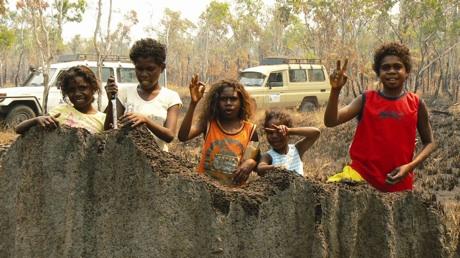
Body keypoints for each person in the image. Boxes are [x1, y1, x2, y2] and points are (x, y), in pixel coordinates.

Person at [324, 42, 436, 192]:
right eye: (385, 67)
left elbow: (430, 143)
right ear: (378, 72)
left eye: (397, 67)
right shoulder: (366, 99)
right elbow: (331, 121)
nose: (391, 71)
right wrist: (335, 90)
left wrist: (409, 167)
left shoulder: (416, 103)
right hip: (360, 179)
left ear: (407, 72)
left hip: (398, 183)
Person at [178, 75, 259, 186]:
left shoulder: (250, 130)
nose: (228, 103)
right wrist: (193, 103)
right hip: (204, 190)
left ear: (241, 102)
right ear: (216, 101)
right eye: (223, 99)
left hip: (234, 194)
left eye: (233, 99)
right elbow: (183, 136)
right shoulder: (208, 124)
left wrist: (251, 162)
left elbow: (254, 159)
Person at [104, 38, 182, 151]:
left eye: (150, 69)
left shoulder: (171, 97)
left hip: (157, 162)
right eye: (139, 69)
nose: (144, 74)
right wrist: (111, 100)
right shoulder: (124, 93)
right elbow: (109, 130)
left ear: (162, 68)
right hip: (127, 159)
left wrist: (146, 120)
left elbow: (169, 135)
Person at [15, 65, 106, 134]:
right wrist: (37, 120)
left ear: (93, 88)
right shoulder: (61, 111)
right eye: (71, 90)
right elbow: (18, 129)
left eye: (82, 88)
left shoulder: (103, 119)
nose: (77, 94)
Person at [257, 110, 320, 176]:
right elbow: (260, 169)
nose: (274, 136)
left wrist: (290, 131)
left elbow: (316, 133)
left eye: (279, 132)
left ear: (288, 134)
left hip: (299, 186)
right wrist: (274, 168)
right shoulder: (268, 156)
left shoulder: (297, 149)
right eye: (270, 133)